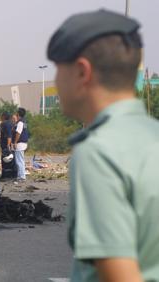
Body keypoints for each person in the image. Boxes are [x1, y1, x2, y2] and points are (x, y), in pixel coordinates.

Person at [48, 9, 158, 281]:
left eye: (58, 69)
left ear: (82, 72)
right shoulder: (151, 135)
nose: (55, 81)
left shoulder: (99, 151)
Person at [11, 108, 29, 181]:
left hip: (20, 143)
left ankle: (21, 177)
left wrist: (15, 142)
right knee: (20, 160)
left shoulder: (20, 123)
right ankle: (20, 175)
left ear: (18, 114)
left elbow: (18, 133)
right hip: (22, 143)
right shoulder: (23, 122)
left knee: (19, 161)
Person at [0, 112, 17, 180]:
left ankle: (6, 176)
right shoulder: (10, 123)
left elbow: (9, 136)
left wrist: (8, 145)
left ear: (4, 116)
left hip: (6, 145)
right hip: (9, 144)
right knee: (10, 160)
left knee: (5, 160)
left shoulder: (5, 124)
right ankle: (11, 175)